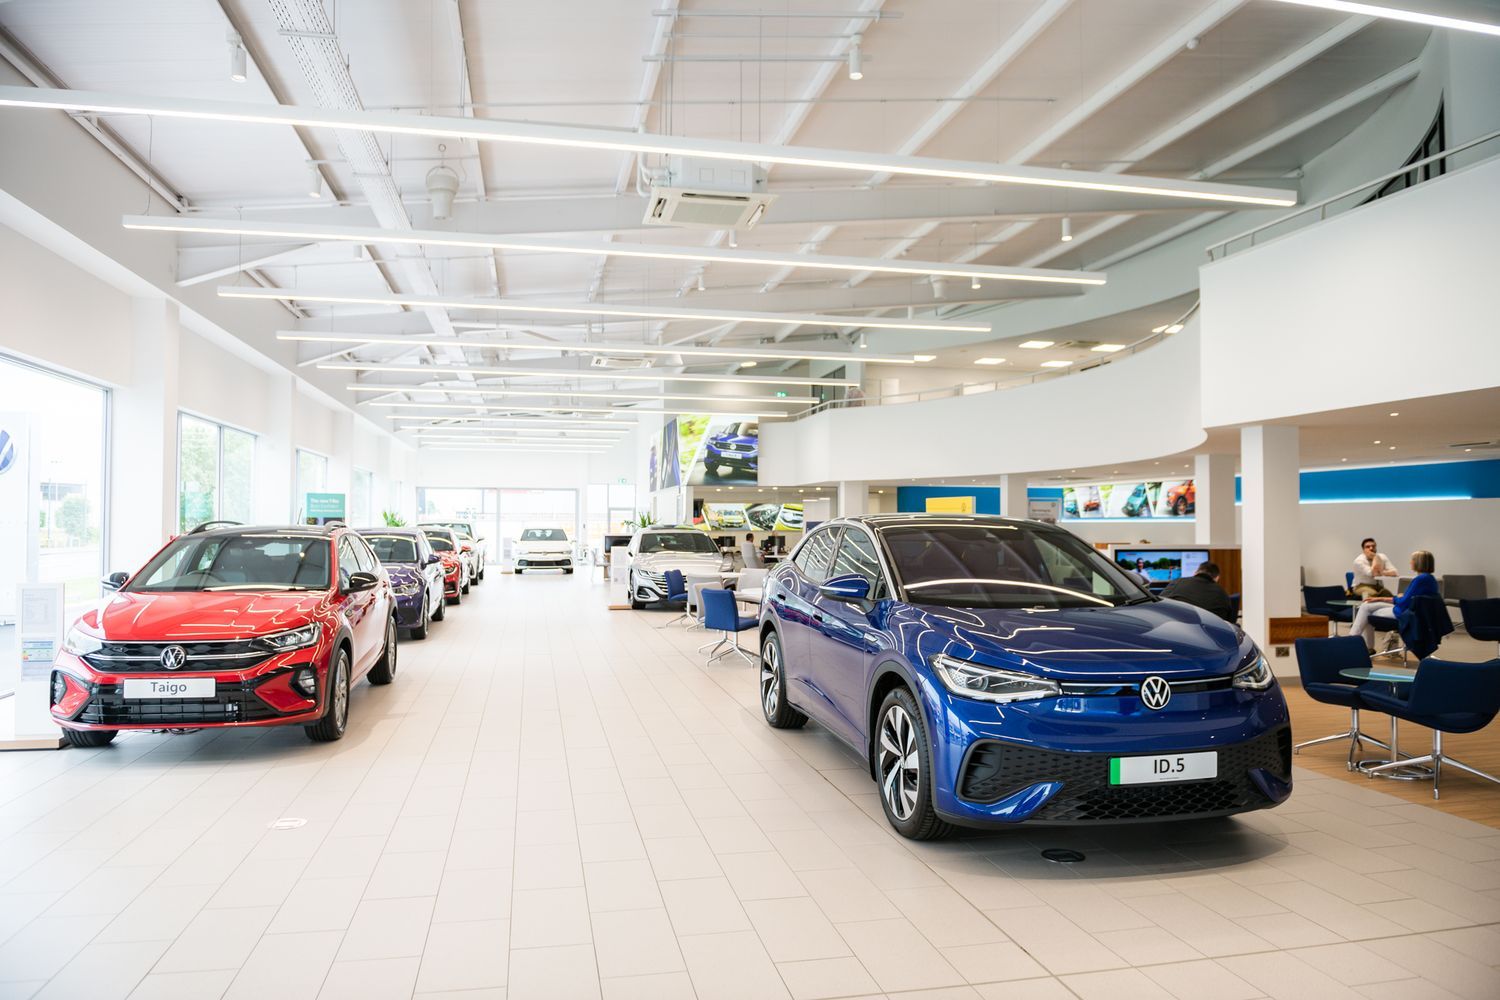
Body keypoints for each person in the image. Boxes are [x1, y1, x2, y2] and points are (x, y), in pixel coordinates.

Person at [1350, 550, 1438, 652]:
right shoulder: (1430, 579)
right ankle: (1366, 647)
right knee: (1366, 605)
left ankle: (1352, 640)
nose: (1410, 562)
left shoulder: (1419, 579)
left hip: (1404, 612)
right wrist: (1399, 597)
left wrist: (1382, 598)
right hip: (1413, 611)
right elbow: (1411, 598)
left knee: (1366, 609)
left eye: (1412, 560)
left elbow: (1405, 601)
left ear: (1419, 562)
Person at [1160, 561, 1235, 622]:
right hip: (1210, 636)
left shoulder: (1177, 582)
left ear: (1196, 572)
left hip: (1175, 630)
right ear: (1217, 578)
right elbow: (1229, 624)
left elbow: (1159, 605)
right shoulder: (1222, 593)